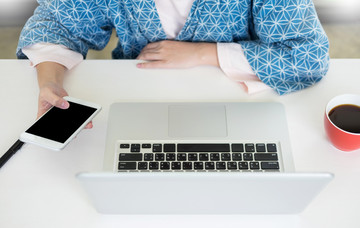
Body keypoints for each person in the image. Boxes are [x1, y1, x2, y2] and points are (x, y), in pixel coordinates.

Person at [17, 0, 329, 128]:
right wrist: (50, 82)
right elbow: (58, 22)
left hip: (238, 105)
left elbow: (308, 56)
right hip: (138, 99)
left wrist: (202, 53)